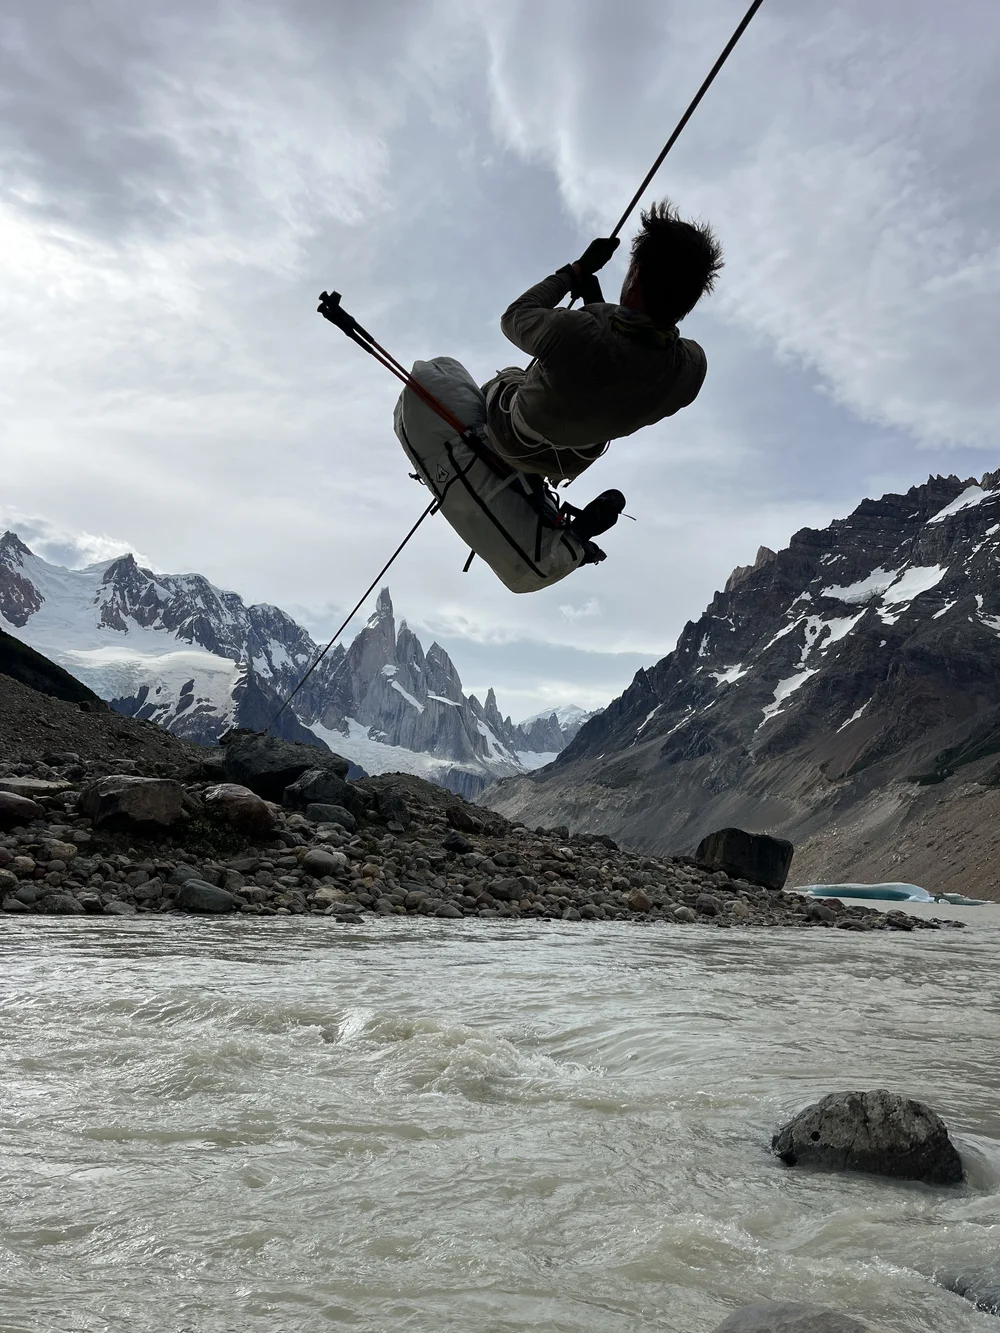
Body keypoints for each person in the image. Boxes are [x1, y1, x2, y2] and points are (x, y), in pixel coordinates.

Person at [483, 199, 722, 485]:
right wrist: (596, 304)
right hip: (572, 462)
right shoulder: (690, 370)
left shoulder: (574, 332)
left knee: (512, 376)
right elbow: (623, 366)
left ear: (635, 275)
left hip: (513, 440)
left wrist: (575, 271)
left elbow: (514, 317)